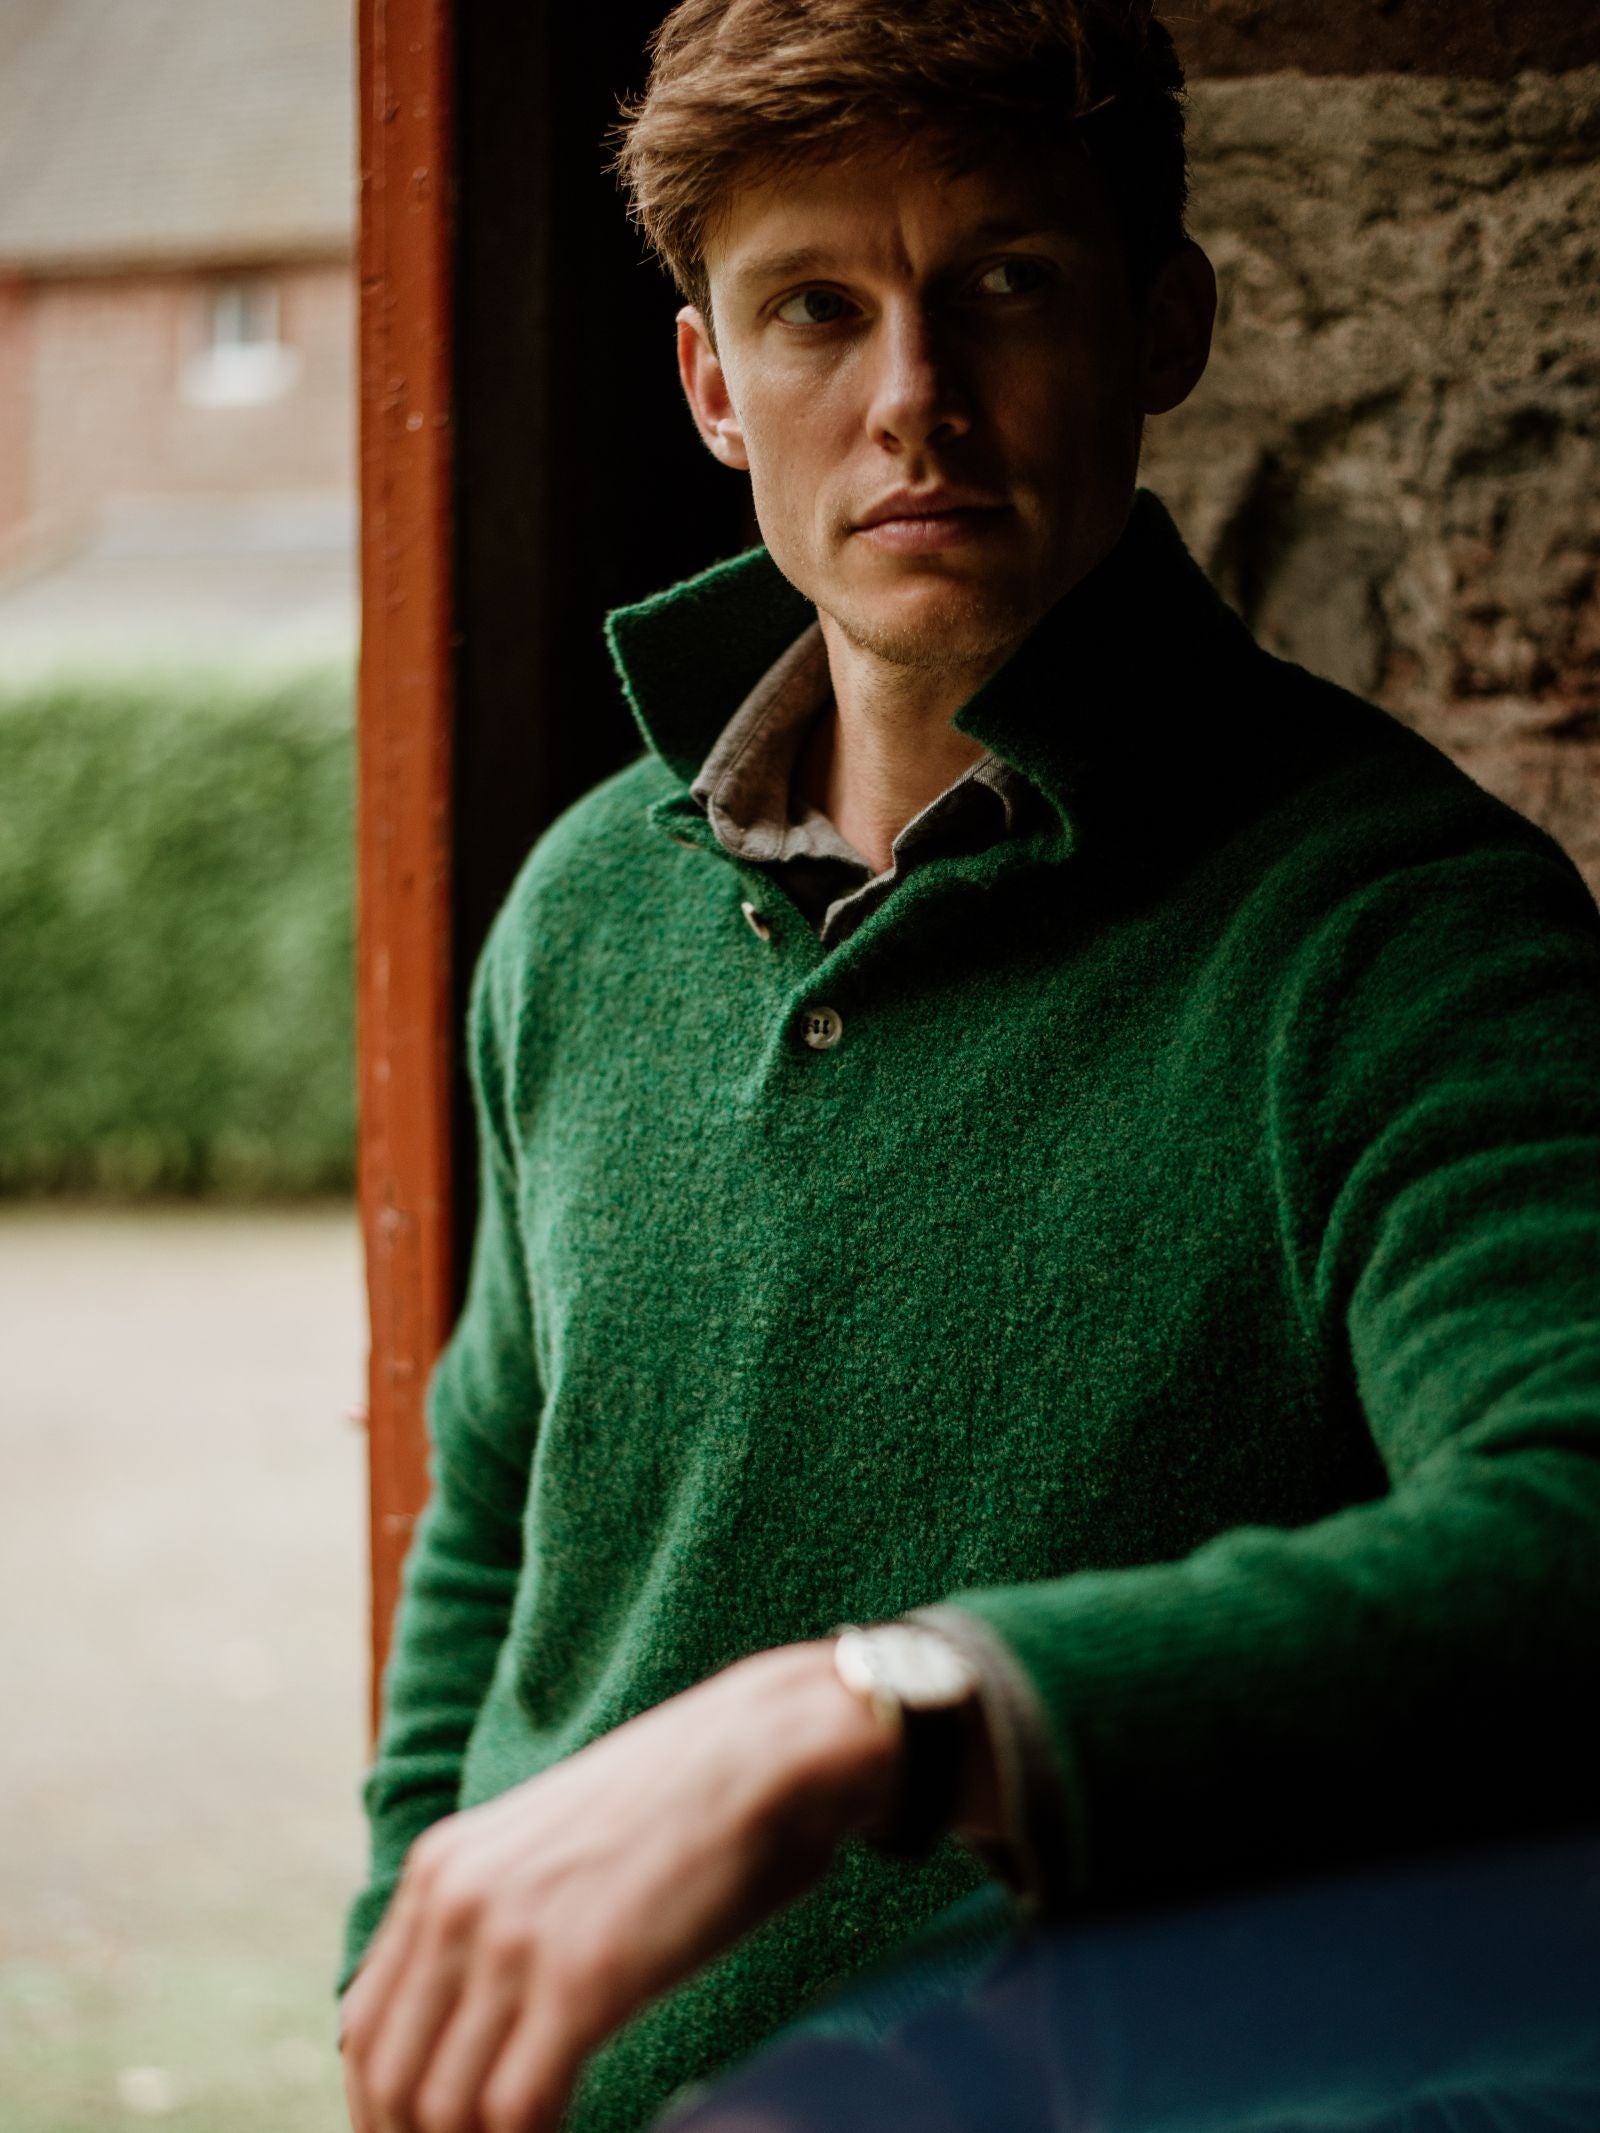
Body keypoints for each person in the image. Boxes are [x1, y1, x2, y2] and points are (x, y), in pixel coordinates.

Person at [336, 4, 1600, 2131]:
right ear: (711, 385)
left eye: (1002, 285)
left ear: (1155, 325)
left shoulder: (1403, 931)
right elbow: (495, 1525)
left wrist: (887, 1711)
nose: (910, 399)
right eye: (815, 309)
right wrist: (400, 1968)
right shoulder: (577, 906)